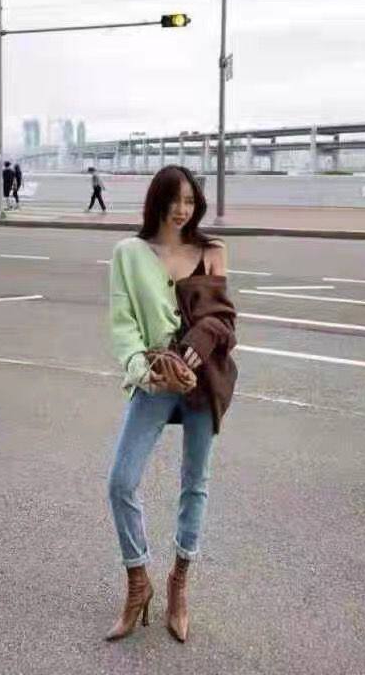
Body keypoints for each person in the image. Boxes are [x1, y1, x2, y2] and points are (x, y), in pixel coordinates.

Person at [105, 165, 238, 643]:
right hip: (155, 379)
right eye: (174, 199)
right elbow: (123, 324)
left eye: (190, 200)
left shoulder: (212, 251)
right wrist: (145, 370)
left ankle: (179, 584)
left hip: (203, 381)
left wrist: (194, 348)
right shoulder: (129, 253)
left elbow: (225, 322)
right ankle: (137, 581)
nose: (182, 209)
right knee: (121, 481)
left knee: (194, 483)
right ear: (157, 200)